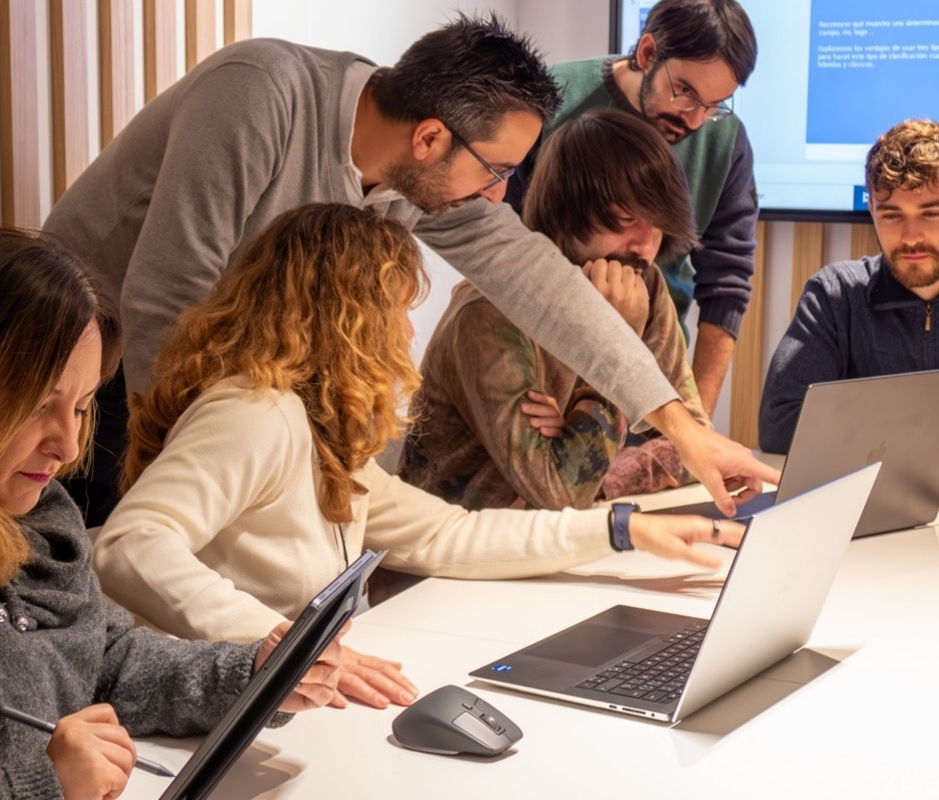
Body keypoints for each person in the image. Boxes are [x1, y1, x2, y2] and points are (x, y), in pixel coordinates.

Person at [43, 12, 778, 527]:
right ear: (430, 137)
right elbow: (166, 298)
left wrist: (682, 427)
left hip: (221, 392)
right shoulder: (259, 92)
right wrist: (209, 471)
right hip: (96, 375)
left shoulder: (411, 173)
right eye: (496, 172)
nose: (499, 196)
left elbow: (538, 279)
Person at [91, 204, 741, 712]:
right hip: (226, 701)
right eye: (399, 311)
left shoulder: (313, 424)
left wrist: (621, 528)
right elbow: (130, 546)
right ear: (347, 318)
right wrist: (286, 649)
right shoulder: (255, 412)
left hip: (283, 697)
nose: (405, 333)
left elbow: (447, 534)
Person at [0, 228, 342, 800]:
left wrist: (251, 676)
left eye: (80, 406)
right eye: (36, 405)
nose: (69, 447)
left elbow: (102, 659)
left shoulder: (30, 507)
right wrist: (41, 788)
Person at [401, 108, 708, 511]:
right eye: (627, 219)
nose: (645, 246)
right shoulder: (490, 313)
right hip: (452, 558)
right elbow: (561, 491)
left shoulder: (641, 282)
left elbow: (693, 440)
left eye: (657, 223)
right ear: (569, 211)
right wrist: (619, 343)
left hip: (546, 544)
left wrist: (578, 444)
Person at [506, 0, 759, 416]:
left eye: (715, 105)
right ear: (646, 53)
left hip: (655, 371)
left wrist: (698, 422)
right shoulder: (545, 100)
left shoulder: (726, 143)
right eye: (686, 93)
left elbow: (727, 285)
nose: (696, 121)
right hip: (540, 374)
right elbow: (506, 248)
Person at [759, 119, 939, 475]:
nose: (911, 236)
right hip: (867, 517)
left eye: (931, 213)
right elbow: (781, 424)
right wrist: (918, 450)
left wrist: (889, 449)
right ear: (872, 211)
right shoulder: (835, 295)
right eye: (891, 215)